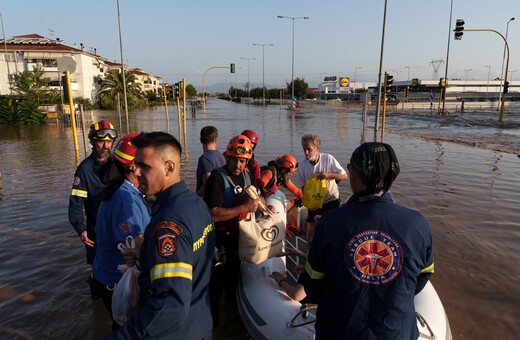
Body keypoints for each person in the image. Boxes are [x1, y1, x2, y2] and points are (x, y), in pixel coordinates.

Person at [300, 142, 434, 339]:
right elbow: (422, 278)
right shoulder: (417, 223)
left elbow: (311, 287)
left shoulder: (329, 222)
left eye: (349, 167)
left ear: (355, 175)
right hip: (397, 333)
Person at [108, 132, 215, 339]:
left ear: (169, 168)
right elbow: (193, 258)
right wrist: (146, 254)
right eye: (135, 164)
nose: (136, 172)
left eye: (145, 166)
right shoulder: (196, 204)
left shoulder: (167, 226)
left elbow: (169, 308)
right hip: (200, 321)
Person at [91, 133, 150, 330]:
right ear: (133, 167)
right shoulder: (124, 198)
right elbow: (134, 244)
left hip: (108, 274)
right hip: (116, 279)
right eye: (147, 165)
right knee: (127, 330)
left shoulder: (127, 191)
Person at [203, 134, 262, 328]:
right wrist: (244, 208)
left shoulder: (248, 176)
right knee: (216, 282)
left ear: (247, 161)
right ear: (227, 157)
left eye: (242, 161)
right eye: (235, 159)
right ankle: (213, 323)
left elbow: (259, 198)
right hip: (218, 238)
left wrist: (260, 204)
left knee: (234, 276)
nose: (238, 164)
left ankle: (232, 314)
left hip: (238, 238)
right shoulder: (217, 179)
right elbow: (213, 214)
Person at [68, 120, 117, 294]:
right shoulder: (84, 170)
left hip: (116, 229)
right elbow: (75, 205)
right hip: (95, 232)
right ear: (93, 142)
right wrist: (81, 229)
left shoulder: (116, 163)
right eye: (101, 141)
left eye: (109, 141)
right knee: (97, 272)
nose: (106, 145)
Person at [292, 134, 348, 242]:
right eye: (304, 149)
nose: (306, 153)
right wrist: (308, 203)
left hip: (331, 199)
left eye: (309, 149)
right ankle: (309, 251)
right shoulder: (302, 166)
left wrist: (328, 175)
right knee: (312, 228)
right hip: (314, 203)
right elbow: (303, 189)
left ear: (317, 148)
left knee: (333, 227)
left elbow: (344, 175)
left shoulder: (328, 159)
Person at [196, 126, 226, 197]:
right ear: (216, 140)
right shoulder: (221, 156)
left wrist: (195, 197)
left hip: (210, 201)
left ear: (200, 140)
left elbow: (207, 185)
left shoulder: (204, 158)